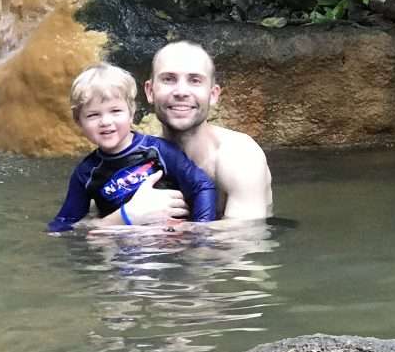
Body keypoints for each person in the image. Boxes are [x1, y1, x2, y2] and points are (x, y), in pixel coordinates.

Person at [94, 40, 273, 226]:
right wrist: (126, 215)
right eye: (168, 79)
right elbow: (76, 229)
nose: (181, 92)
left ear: (213, 95)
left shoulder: (239, 156)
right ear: (150, 91)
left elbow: (242, 241)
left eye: (195, 80)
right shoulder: (134, 156)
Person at [47, 63, 217, 232]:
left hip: (171, 244)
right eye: (93, 115)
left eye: (115, 111)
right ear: (78, 121)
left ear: (131, 112)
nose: (106, 122)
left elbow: (202, 186)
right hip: (120, 251)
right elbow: (62, 224)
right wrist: (119, 218)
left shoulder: (159, 150)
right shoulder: (85, 174)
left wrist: (199, 232)